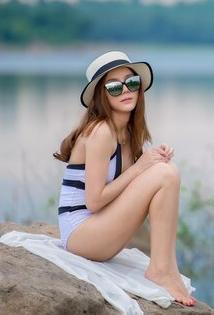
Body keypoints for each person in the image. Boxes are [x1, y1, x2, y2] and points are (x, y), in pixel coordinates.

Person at [53, 51, 196, 307]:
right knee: (165, 173)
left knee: (166, 170)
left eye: (131, 83)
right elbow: (94, 201)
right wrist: (142, 168)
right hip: (80, 235)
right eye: (114, 86)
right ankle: (161, 270)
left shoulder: (128, 133)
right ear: (102, 95)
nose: (126, 90)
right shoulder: (101, 131)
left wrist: (154, 159)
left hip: (100, 230)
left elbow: (131, 184)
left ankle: (166, 267)